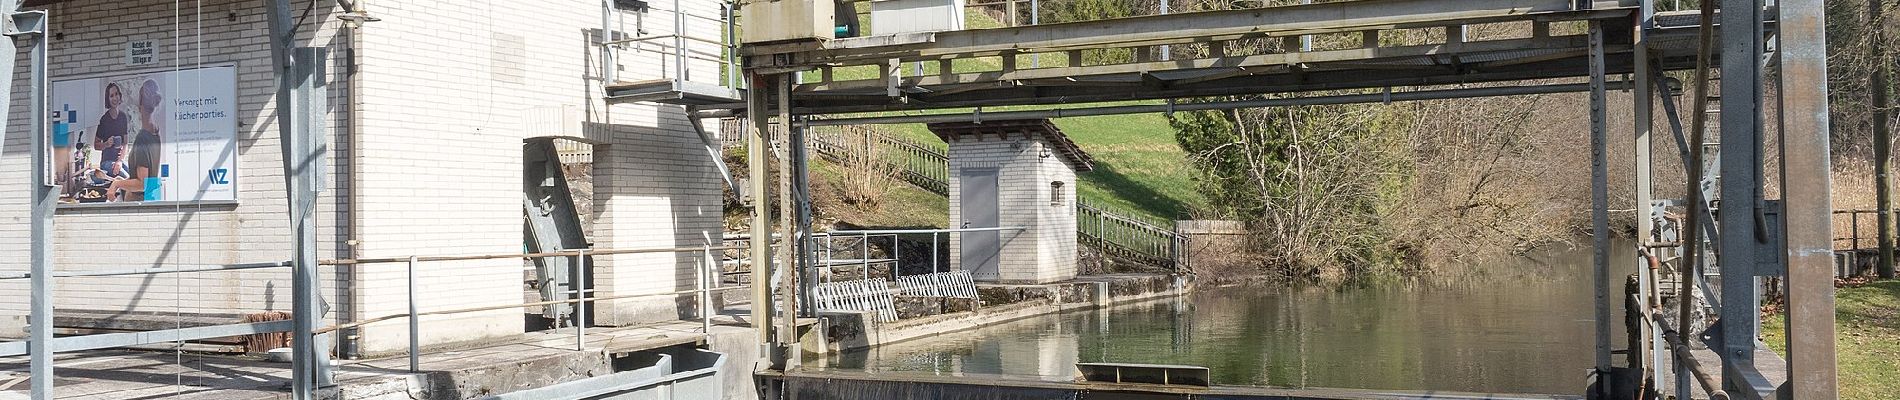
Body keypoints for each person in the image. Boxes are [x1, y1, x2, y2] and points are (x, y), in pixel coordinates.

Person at [93, 82, 129, 178]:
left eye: (116, 94)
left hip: (119, 161)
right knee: (126, 178)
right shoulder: (104, 120)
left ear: (119, 96)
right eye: (111, 96)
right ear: (108, 99)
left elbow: (125, 143)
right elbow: (96, 145)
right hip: (106, 163)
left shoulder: (123, 117)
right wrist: (106, 144)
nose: (115, 98)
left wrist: (120, 161)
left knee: (134, 176)